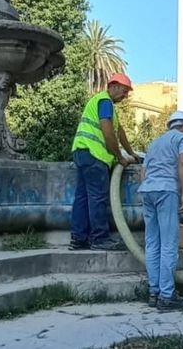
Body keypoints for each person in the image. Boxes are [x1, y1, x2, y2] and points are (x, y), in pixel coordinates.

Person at [69, 73, 139, 251]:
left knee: (82, 198)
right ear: (113, 86)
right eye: (124, 91)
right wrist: (120, 157)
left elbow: (119, 132)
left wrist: (131, 152)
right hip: (95, 155)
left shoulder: (103, 104)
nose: (125, 96)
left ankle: (78, 239)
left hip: (81, 151)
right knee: (97, 197)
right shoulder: (105, 101)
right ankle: (99, 238)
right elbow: (108, 132)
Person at [138, 110, 183, 311]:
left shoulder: (155, 143)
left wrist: (149, 186)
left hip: (147, 190)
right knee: (169, 244)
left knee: (152, 243)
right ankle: (167, 296)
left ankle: (154, 292)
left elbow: (143, 171)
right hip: (166, 190)